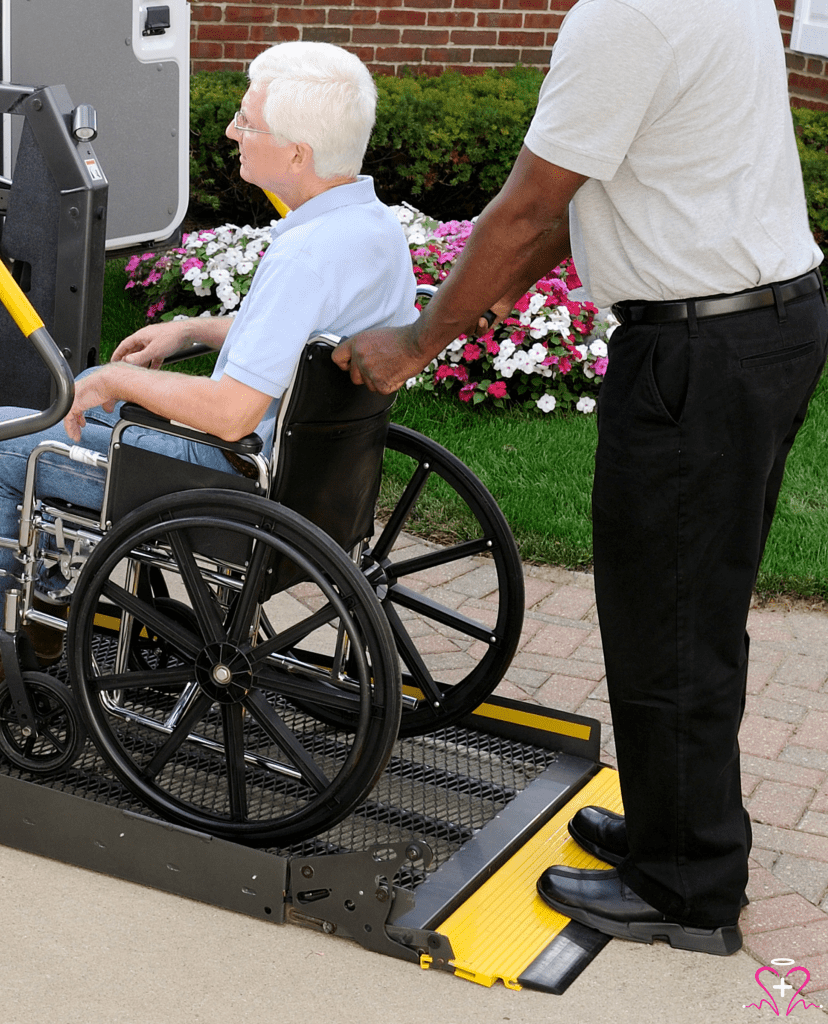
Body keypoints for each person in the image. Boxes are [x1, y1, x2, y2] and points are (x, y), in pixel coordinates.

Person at [334, 0, 828, 956]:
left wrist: (418, 341)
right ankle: (672, 829)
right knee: (692, 608)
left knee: (669, 618)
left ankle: (687, 889)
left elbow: (530, 205)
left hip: (698, 347)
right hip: (766, 324)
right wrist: (495, 279)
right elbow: (595, 189)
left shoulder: (623, 17)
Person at [0, 40, 418, 701]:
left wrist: (114, 381)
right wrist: (191, 329)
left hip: (230, 477)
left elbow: (233, 412)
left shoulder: (305, 255)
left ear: (297, 153)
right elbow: (305, 339)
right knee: (93, 421)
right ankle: (44, 617)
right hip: (309, 479)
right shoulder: (370, 228)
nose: (234, 131)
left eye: (248, 121)